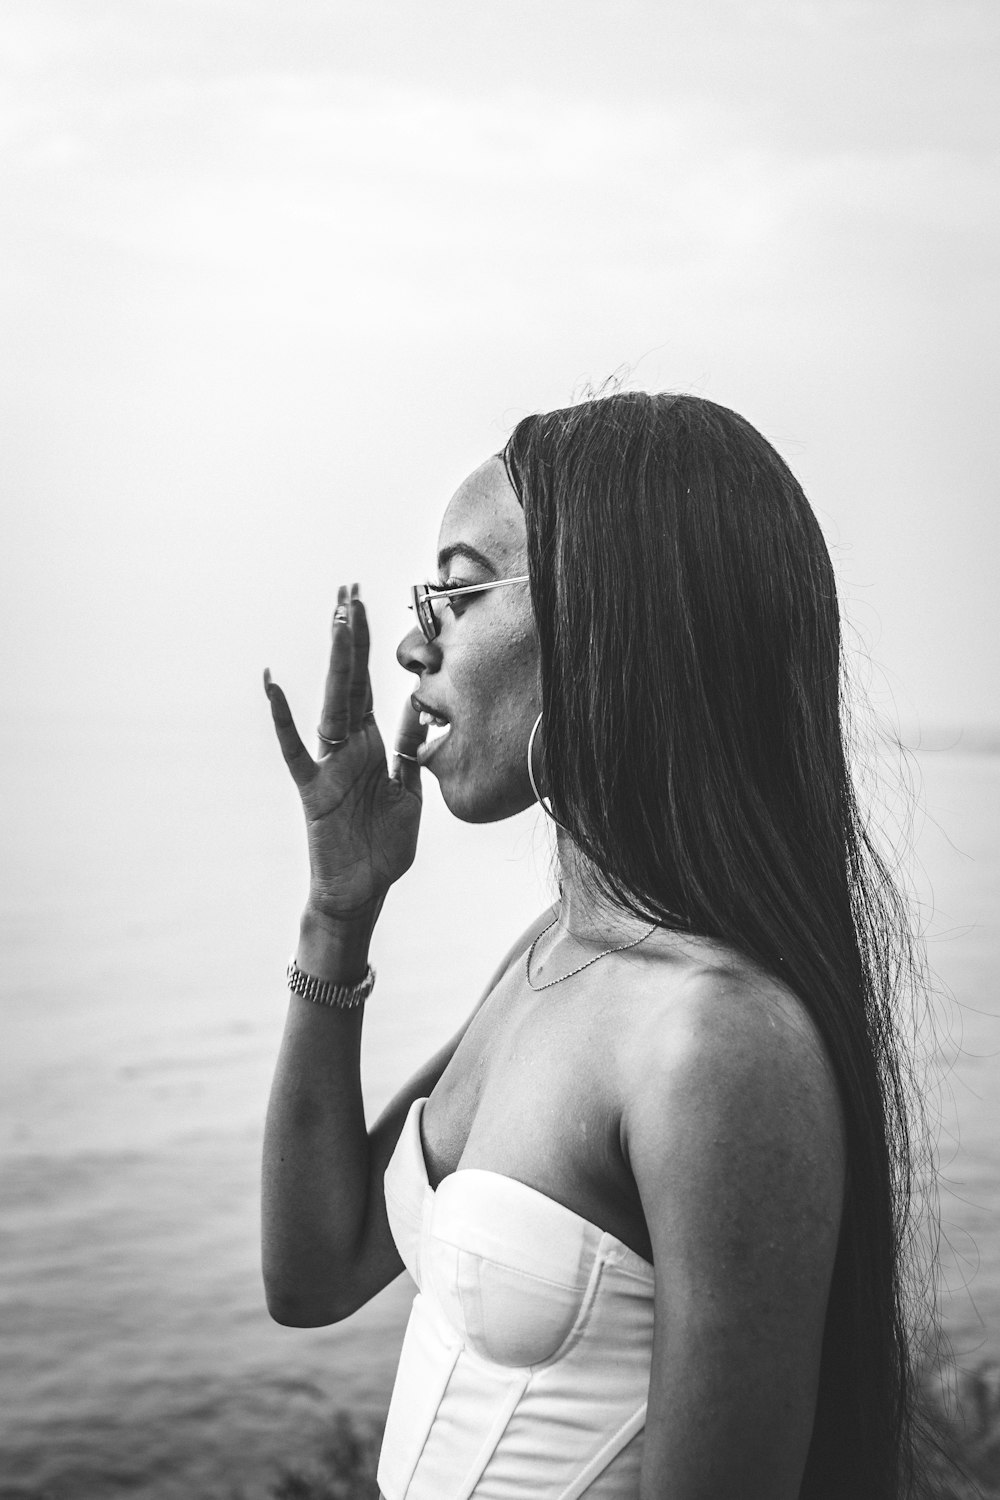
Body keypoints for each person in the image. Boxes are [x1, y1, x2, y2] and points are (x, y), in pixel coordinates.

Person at [261, 391, 927, 1499]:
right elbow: (311, 1271)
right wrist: (338, 914)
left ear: (611, 622)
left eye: (460, 590)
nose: (416, 641)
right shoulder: (553, 957)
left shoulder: (713, 1042)